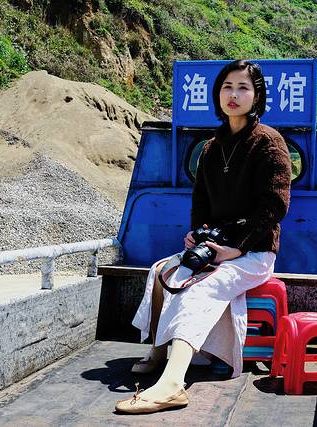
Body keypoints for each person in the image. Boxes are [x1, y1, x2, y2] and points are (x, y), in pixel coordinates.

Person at [114, 59, 292, 414]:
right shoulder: (212, 147)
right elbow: (201, 202)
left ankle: (172, 383)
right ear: (217, 94)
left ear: (257, 97)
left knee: (200, 287)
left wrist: (236, 248)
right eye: (227, 87)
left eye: (243, 88)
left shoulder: (269, 143)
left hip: (254, 252)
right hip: (216, 245)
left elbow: (274, 205)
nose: (233, 94)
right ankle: (158, 351)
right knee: (164, 272)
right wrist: (197, 235)